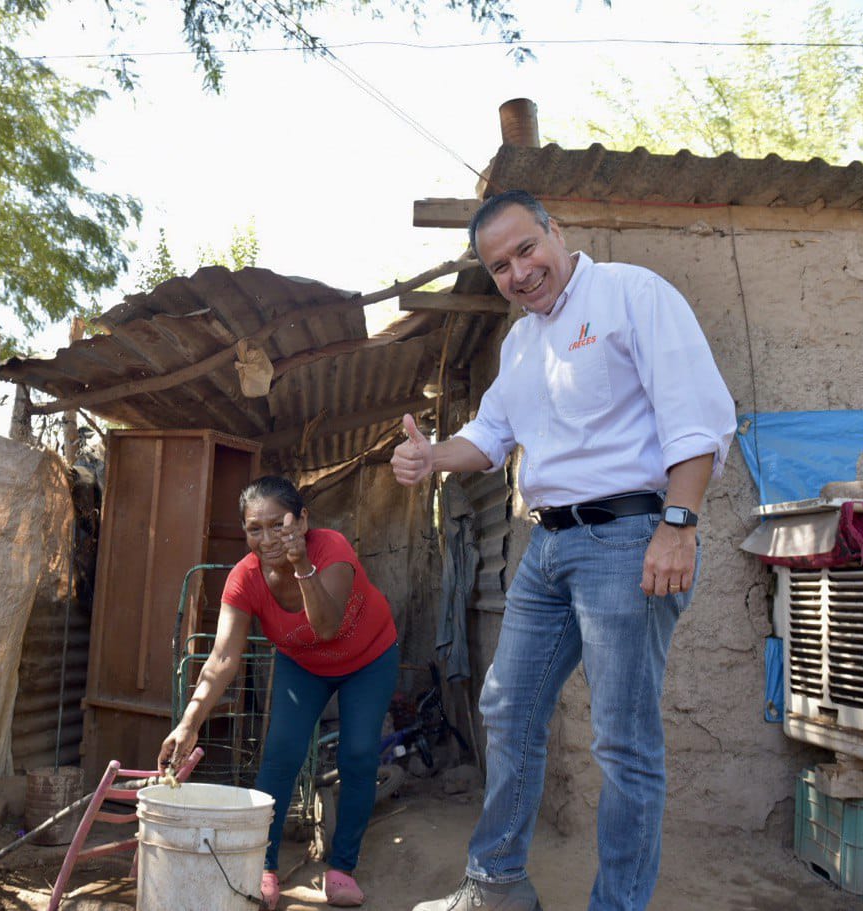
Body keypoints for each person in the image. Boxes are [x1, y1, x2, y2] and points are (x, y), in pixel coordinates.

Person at [394, 190, 735, 911]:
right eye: (500, 267)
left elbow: (696, 416)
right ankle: (497, 885)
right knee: (506, 706)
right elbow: (488, 436)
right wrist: (431, 457)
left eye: (526, 249)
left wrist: (679, 524)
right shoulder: (520, 346)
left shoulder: (631, 293)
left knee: (622, 741)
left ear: (556, 230)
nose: (518, 273)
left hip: (630, 537)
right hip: (548, 545)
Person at [159, 476, 399, 909]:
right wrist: (189, 724)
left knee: (359, 754)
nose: (267, 539)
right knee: (281, 754)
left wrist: (301, 564)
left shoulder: (331, 549)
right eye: (255, 528)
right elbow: (221, 659)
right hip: (303, 665)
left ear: (302, 520)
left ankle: (342, 868)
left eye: (278, 524)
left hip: (368, 659)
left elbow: (326, 627)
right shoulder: (244, 579)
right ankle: (264, 867)